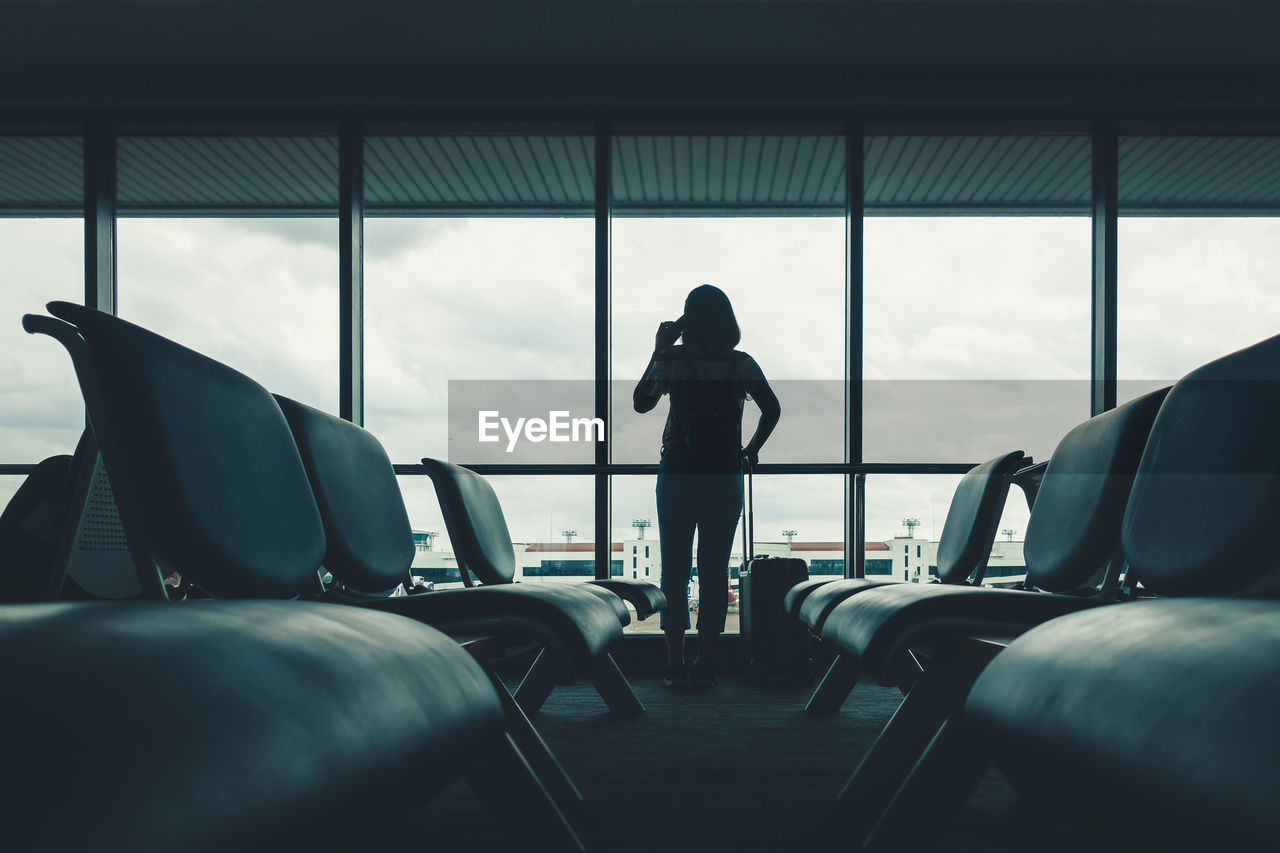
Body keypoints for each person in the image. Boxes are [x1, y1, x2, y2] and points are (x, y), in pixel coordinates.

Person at [633, 284, 781, 689]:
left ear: (688, 319)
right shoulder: (740, 363)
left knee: (674, 570)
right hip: (724, 474)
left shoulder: (675, 359)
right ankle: (706, 662)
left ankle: (674, 662)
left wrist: (660, 348)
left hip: (678, 471)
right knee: (715, 570)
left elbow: (641, 402)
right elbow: (772, 408)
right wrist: (751, 448)